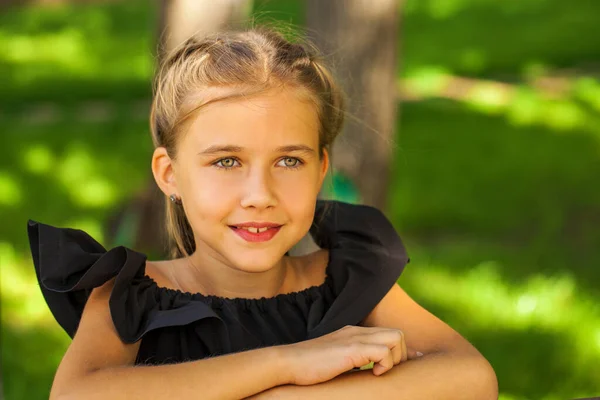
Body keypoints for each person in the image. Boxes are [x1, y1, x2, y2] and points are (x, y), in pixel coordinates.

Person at [27, 27, 498, 399]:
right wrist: (287, 363)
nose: (260, 194)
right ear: (169, 174)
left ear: (320, 170)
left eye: (289, 161)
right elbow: (76, 395)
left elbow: (470, 378)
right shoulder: (131, 297)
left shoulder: (345, 280)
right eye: (226, 161)